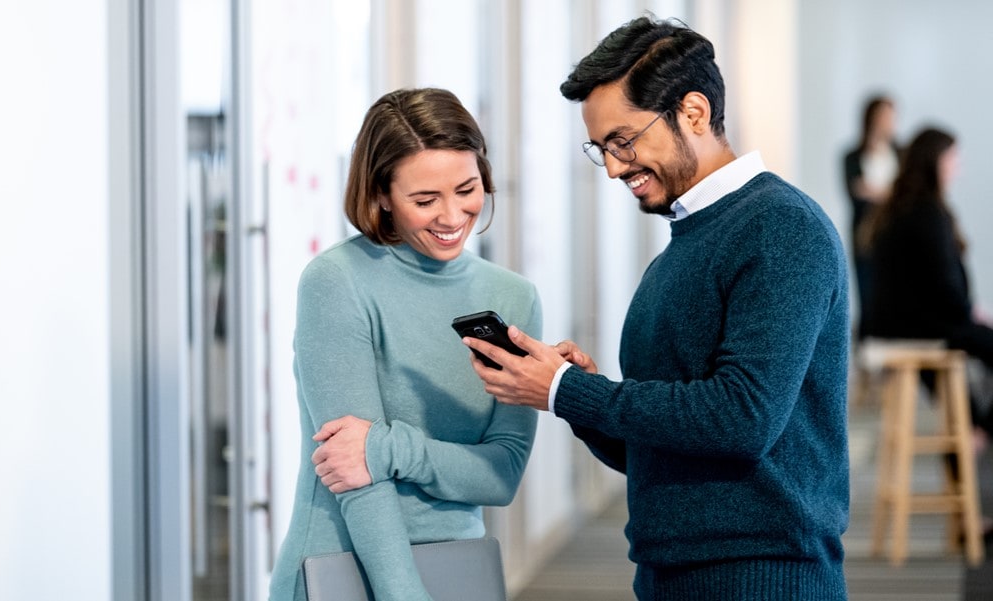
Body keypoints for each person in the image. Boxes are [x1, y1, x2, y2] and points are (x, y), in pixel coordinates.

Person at [462, 16, 850, 600]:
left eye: (624, 140)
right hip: (678, 572)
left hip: (761, 575)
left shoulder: (779, 227)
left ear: (693, 113)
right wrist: (578, 396)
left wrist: (569, 389)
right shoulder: (685, 243)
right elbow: (665, 453)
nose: (615, 166)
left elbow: (743, 419)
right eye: (601, 149)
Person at [267, 87, 542, 601]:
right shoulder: (336, 282)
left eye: (466, 188)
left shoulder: (514, 297)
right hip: (342, 567)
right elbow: (356, 481)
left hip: (459, 567)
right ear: (380, 196)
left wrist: (386, 448)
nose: (453, 215)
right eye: (424, 200)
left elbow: (501, 474)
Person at [862, 126, 993, 445]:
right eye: (953, 159)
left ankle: (971, 430)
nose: (957, 168)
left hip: (897, 326)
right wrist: (971, 315)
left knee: (959, 362)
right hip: (921, 327)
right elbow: (947, 289)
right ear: (934, 163)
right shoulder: (928, 213)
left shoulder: (895, 209)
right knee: (974, 342)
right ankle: (979, 432)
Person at [843, 95, 900, 339]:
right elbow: (855, 191)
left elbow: (902, 193)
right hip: (865, 233)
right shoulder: (853, 156)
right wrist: (887, 192)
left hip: (895, 232)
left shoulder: (901, 152)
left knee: (894, 292)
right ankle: (867, 351)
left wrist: (874, 190)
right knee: (866, 291)